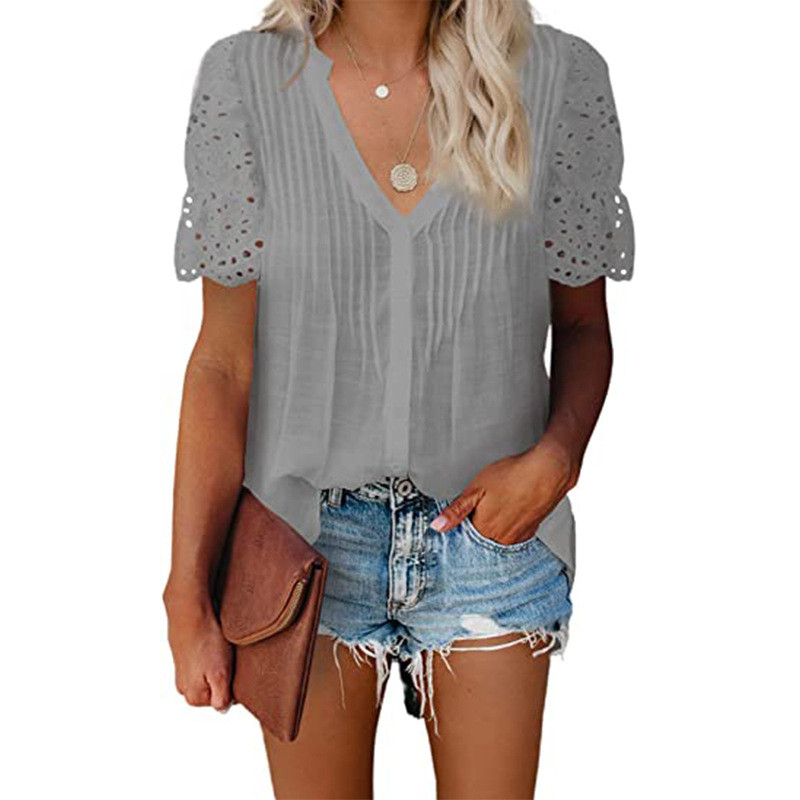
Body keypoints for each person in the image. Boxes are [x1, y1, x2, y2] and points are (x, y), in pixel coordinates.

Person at [163, 1, 635, 796]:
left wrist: (557, 459)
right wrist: (186, 589)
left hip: (493, 540)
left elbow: (584, 327)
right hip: (304, 547)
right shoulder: (246, 81)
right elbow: (221, 365)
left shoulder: (556, 77)